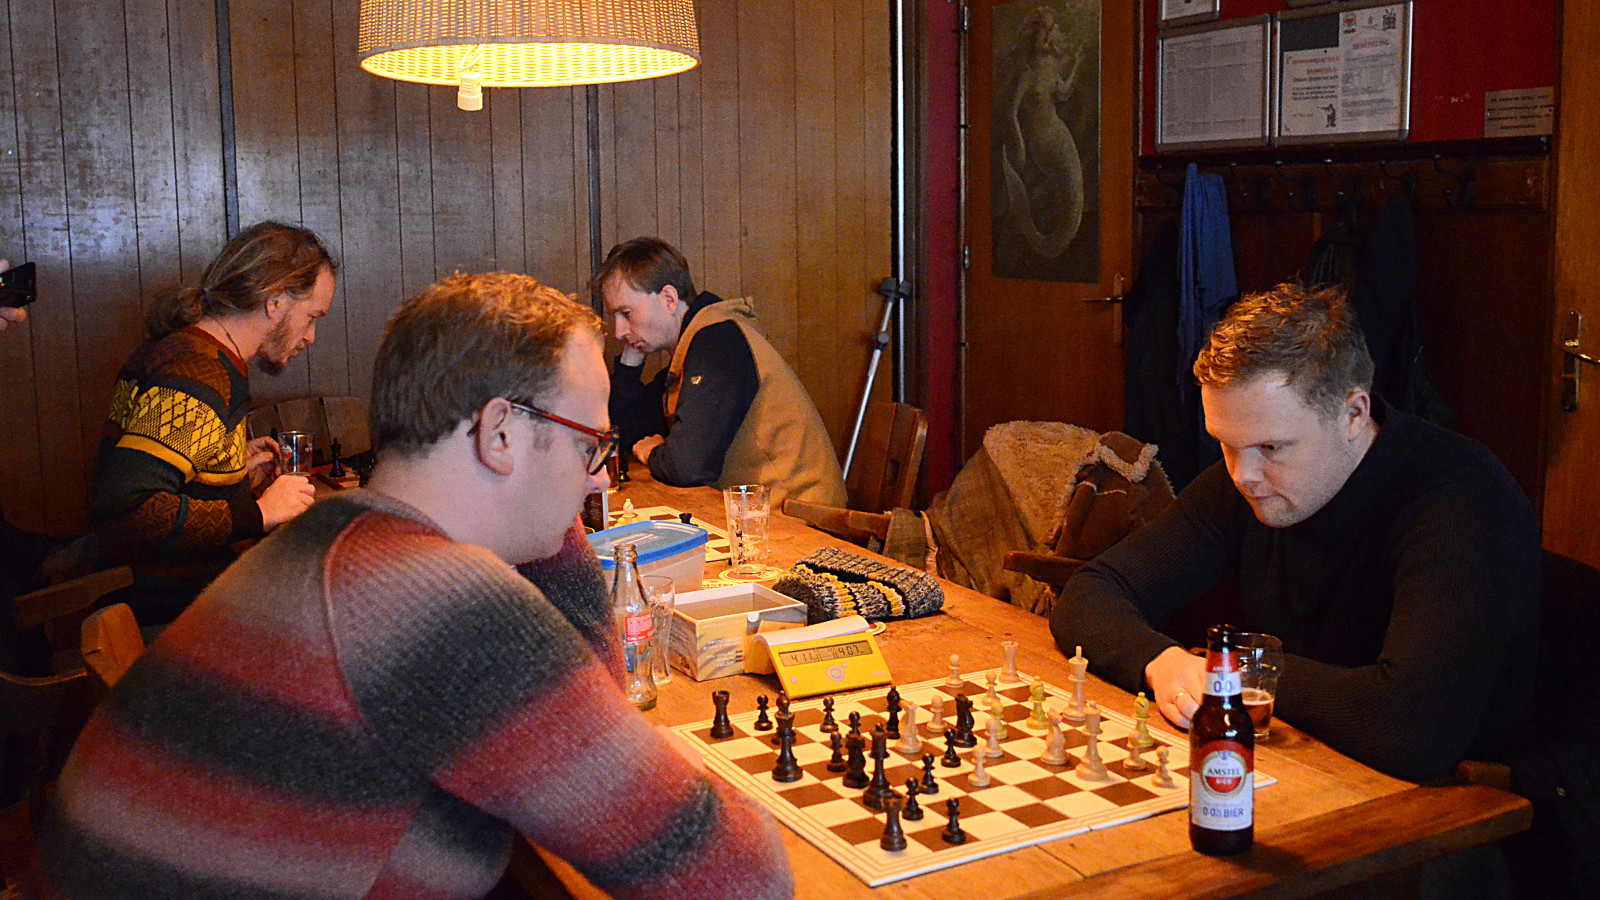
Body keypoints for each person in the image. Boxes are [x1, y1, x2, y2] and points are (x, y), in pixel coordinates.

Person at [25, 272, 794, 899]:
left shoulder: (328, 545)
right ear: (499, 433)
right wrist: (552, 520)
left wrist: (543, 502)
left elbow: (588, 725)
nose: (599, 470)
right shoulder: (439, 604)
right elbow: (740, 878)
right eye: (593, 441)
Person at [1049, 283, 1539, 783]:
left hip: (1482, 809)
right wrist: (1160, 660)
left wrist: (1227, 673)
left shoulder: (1462, 501)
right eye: (1225, 444)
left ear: (1353, 414)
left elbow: (1411, 729)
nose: (1243, 474)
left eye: (1272, 447)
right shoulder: (1252, 476)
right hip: (1313, 764)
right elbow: (1092, 592)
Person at [88, 222, 332, 625]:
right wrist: (258, 514)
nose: (311, 336)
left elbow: (165, 468)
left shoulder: (198, 353)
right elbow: (130, 512)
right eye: (312, 316)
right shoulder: (197, 372)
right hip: (166, 617)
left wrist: (225, 468)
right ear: (275, 302)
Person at [596, 237, 847, 506]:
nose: (619, 331)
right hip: (761, 516)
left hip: (804, 521)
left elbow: (686, 466)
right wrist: (631, 360)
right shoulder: (692, 345)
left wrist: (654, 451)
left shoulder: (718, 342)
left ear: (669, 299)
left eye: (626, 313)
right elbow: (623, 435)